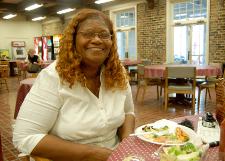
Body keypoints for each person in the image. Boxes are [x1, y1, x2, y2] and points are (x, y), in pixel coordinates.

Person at [13, 8, 135, 161]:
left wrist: (127, 143)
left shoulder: (118, 73)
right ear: (73, 40)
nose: (97, 40)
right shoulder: (53, 77)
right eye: (88, 34)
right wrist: (94, 154)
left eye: (104, 35)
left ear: (111, 41)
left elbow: (128, 112)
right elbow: (24, 137)